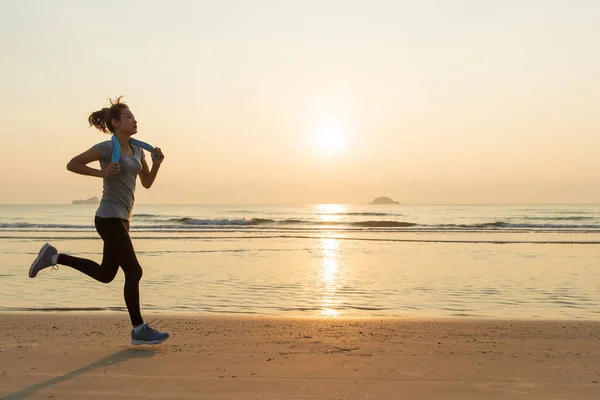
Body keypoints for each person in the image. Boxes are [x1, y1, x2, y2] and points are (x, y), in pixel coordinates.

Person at [29, 96, 170, 345]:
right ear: (115, 122)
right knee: (134, 271)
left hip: (123, 219)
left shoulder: (138, 150)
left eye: (133, 116)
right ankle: (138, 330)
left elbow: (146, 183)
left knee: (106, 275)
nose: (134, 119)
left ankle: (54, 256)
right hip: (108, 217)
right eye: (128, 116)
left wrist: (157, 165)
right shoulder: (106, 147)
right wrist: (102, 173)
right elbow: (72, 164)